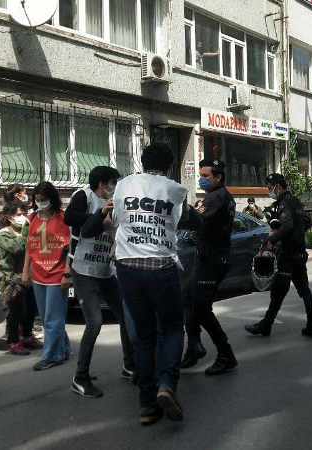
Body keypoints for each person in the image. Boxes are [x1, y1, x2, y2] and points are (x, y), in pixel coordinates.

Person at [110, 143, 188, 425]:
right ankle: (166, 384)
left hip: (127, 265)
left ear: (142, 163)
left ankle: (147, 406)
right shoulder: (176, 190)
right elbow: (178, 222)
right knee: (172, 328)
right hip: (161, 265)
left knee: (144, 336)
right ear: (170, 166)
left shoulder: (123, 184)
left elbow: (116, 219)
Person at [64, 166, 136, 398]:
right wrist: (99, 217)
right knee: (94, 323)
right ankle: (80, 377)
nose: (114, 187)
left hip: (106, 270)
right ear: (102, 184)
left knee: (125, 315)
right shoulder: (84, 195)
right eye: (113, 183)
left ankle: (130, 365)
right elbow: (69, 217)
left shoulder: (115, 202)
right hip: (84, 269)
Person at [178, 158, 238, 375]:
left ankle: (226, 354)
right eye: (200, 175)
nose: (201, 179)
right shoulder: (221, 196)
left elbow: (198, 220)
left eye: (205, 176)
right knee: (188, 299)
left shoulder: (216, 197)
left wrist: (180, 211)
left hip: (212, 260)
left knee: (201, 309)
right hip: (206, 258)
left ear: (218, 177)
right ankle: (194, 346)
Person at [244, 173, 312, 338]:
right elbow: (306, 222)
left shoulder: (283, 203)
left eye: (270, 188)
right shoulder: (296, 202)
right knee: (304, 289)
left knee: (278, 291)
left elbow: (287, 225)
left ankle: (266, 325)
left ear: (277, 187)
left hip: (289, 254)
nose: (269, 191)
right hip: (299, 252)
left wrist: (272, 240)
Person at [22, 181, 72, 371]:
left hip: (57, 275)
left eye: (43, 199)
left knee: (53, 318)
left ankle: (51, 356)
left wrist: (67, 272)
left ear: (52, 198)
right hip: (38, 275)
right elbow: (29, 246)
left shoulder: (64, 218)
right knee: (46, 318)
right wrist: (25, 271)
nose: (40, 202)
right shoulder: (32, 219)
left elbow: (70, 248)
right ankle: (63, 348)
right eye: (37, 199)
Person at [0, 202, 42, 355]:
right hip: (13, 278)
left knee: (31, 308)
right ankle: (14, 341)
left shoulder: (25, 231)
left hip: (29, 276)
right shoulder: (2, 235)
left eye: (24, 214)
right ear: (9, 217)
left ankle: (27, 336)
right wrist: (27, 234)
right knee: (16, 311)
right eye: (19, 215)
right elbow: (16, 247)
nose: (23, 218)